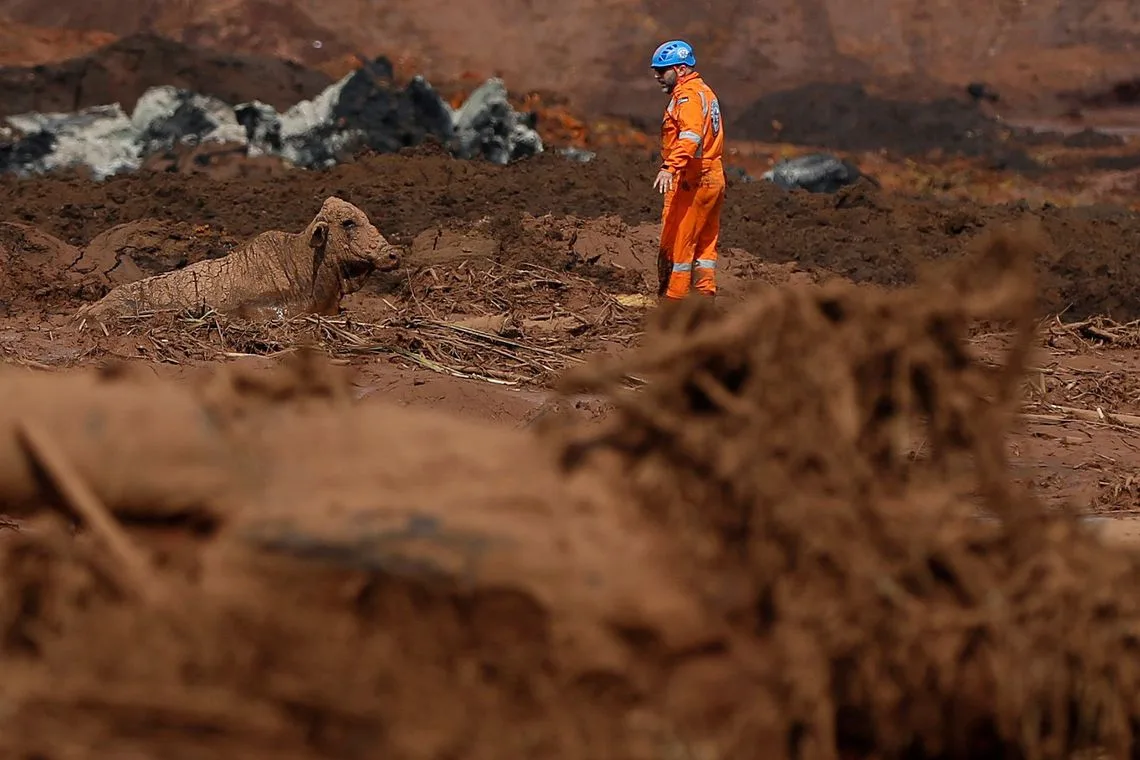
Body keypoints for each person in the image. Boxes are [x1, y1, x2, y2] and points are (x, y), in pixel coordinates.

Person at [650, 39, 726, 301]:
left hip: (695, 178)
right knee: (705, 244)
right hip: (713, 175)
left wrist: (670, 167)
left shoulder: (688, 96)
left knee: (682, 245)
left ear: (680, 69)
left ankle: (675, 305)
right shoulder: (705, 91)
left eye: (662, 71)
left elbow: (691, 136)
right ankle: (704, 300)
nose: (658, 77)